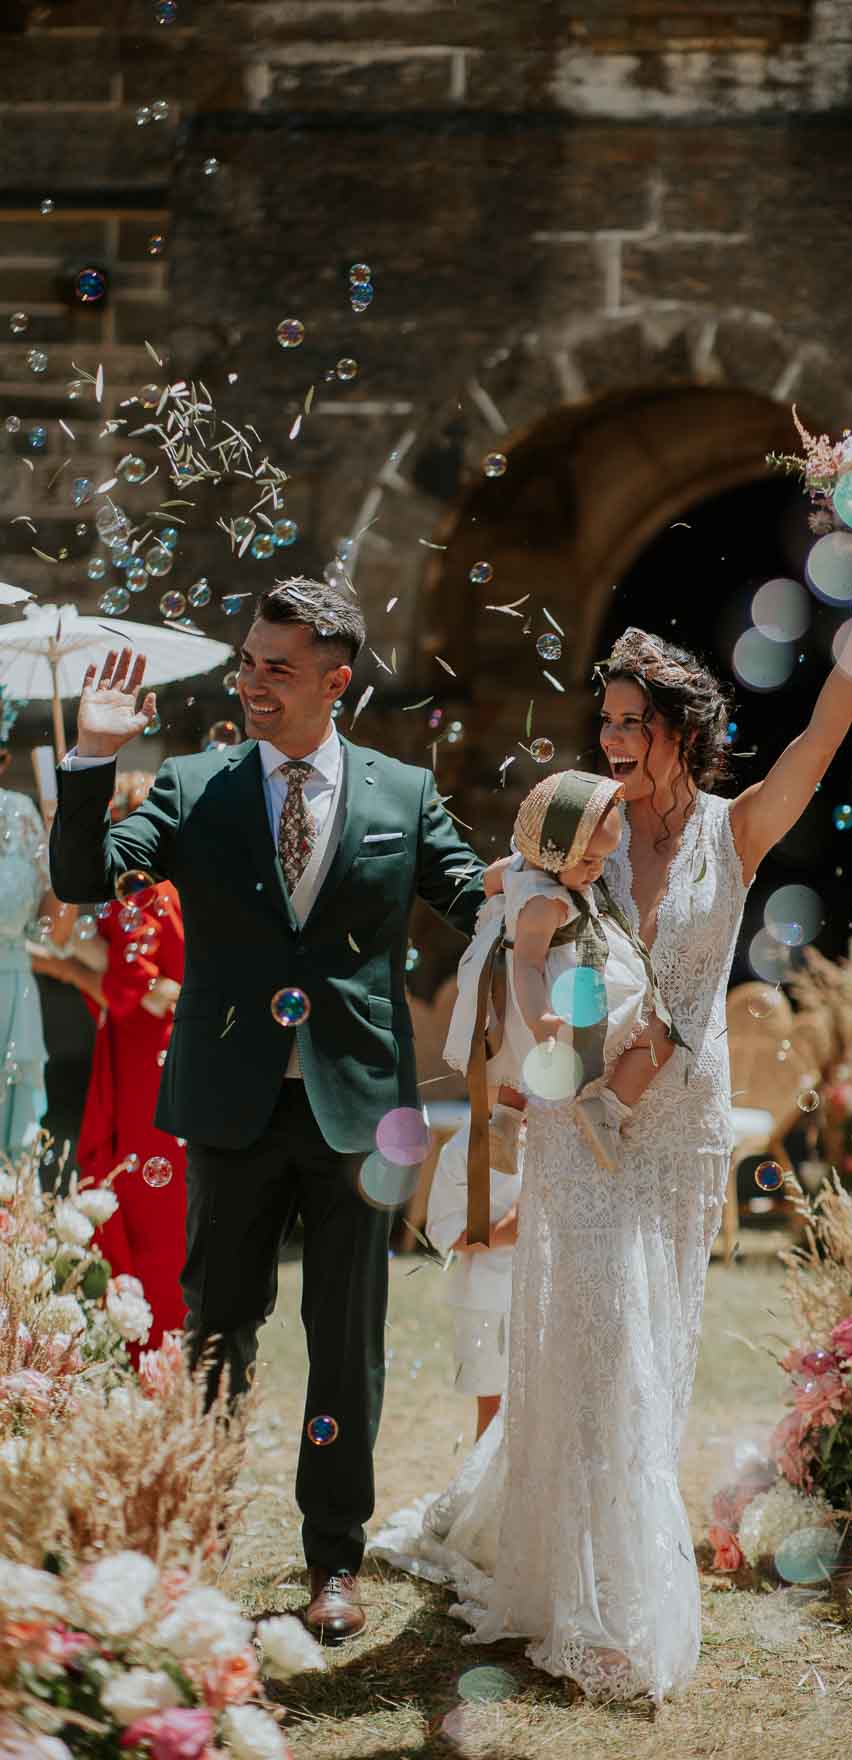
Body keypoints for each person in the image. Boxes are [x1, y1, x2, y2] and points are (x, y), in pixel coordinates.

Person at [373, 607, 852, 1702]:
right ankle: (601, 1595)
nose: (614, 740)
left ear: (684, 729)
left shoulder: (740, 827)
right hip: (579, 1126)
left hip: (679, 1129)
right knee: (596, 1339)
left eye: (635, 723)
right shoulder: (583, 822)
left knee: (647, 1341)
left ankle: (597, 1553)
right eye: (607, 719)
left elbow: (819, 733)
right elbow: (509, 910)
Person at [49, 577, 489, 1646]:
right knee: (217, 1330)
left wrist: (560, 891)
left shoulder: (401, 790)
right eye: (246, 660)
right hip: (230, 1102)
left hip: (362, 1112)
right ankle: (189, 1544)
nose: (249, 681)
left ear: (336, 681)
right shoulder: (197, 785)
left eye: (275, 666)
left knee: (347, 1347)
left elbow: (479, 897)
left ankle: (332, 1560)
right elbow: (83, 877)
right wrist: (94, 755)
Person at [444, 769, 678, 1175]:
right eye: (587, 860)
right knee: (656, 1034)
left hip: (523, 992)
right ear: (553, 855)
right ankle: (605, 1110)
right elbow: (529, 964)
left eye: (603, 859)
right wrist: (540, 1023)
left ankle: (504, 1121)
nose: (597, 871)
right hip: (555, 993)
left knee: (513, 1064)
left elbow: (487, 880)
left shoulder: (520, 866)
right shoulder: (545, 904)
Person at [33, 770, 187, 1351]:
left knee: (144, 1192)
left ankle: (156, 1335)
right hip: (148, 1052)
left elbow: (134, 988)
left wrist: (71, 967)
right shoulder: (156, 889)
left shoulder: (144, 891)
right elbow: (65, 934)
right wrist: (61, 834)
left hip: (149, 1059)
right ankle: (161, 1333)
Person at [425, 1119, 521, 1441]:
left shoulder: (558, 1136)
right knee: (494, 1406)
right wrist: (503, 1233)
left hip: (553, 1291)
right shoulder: (463, 1147)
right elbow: (443, 1229)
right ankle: (492, 1488)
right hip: (487, 1298)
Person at [0, 687, 54, 1158]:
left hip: (14, 993)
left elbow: (56, 933)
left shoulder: (21, 815)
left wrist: (62, 837)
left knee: (15, 1144)